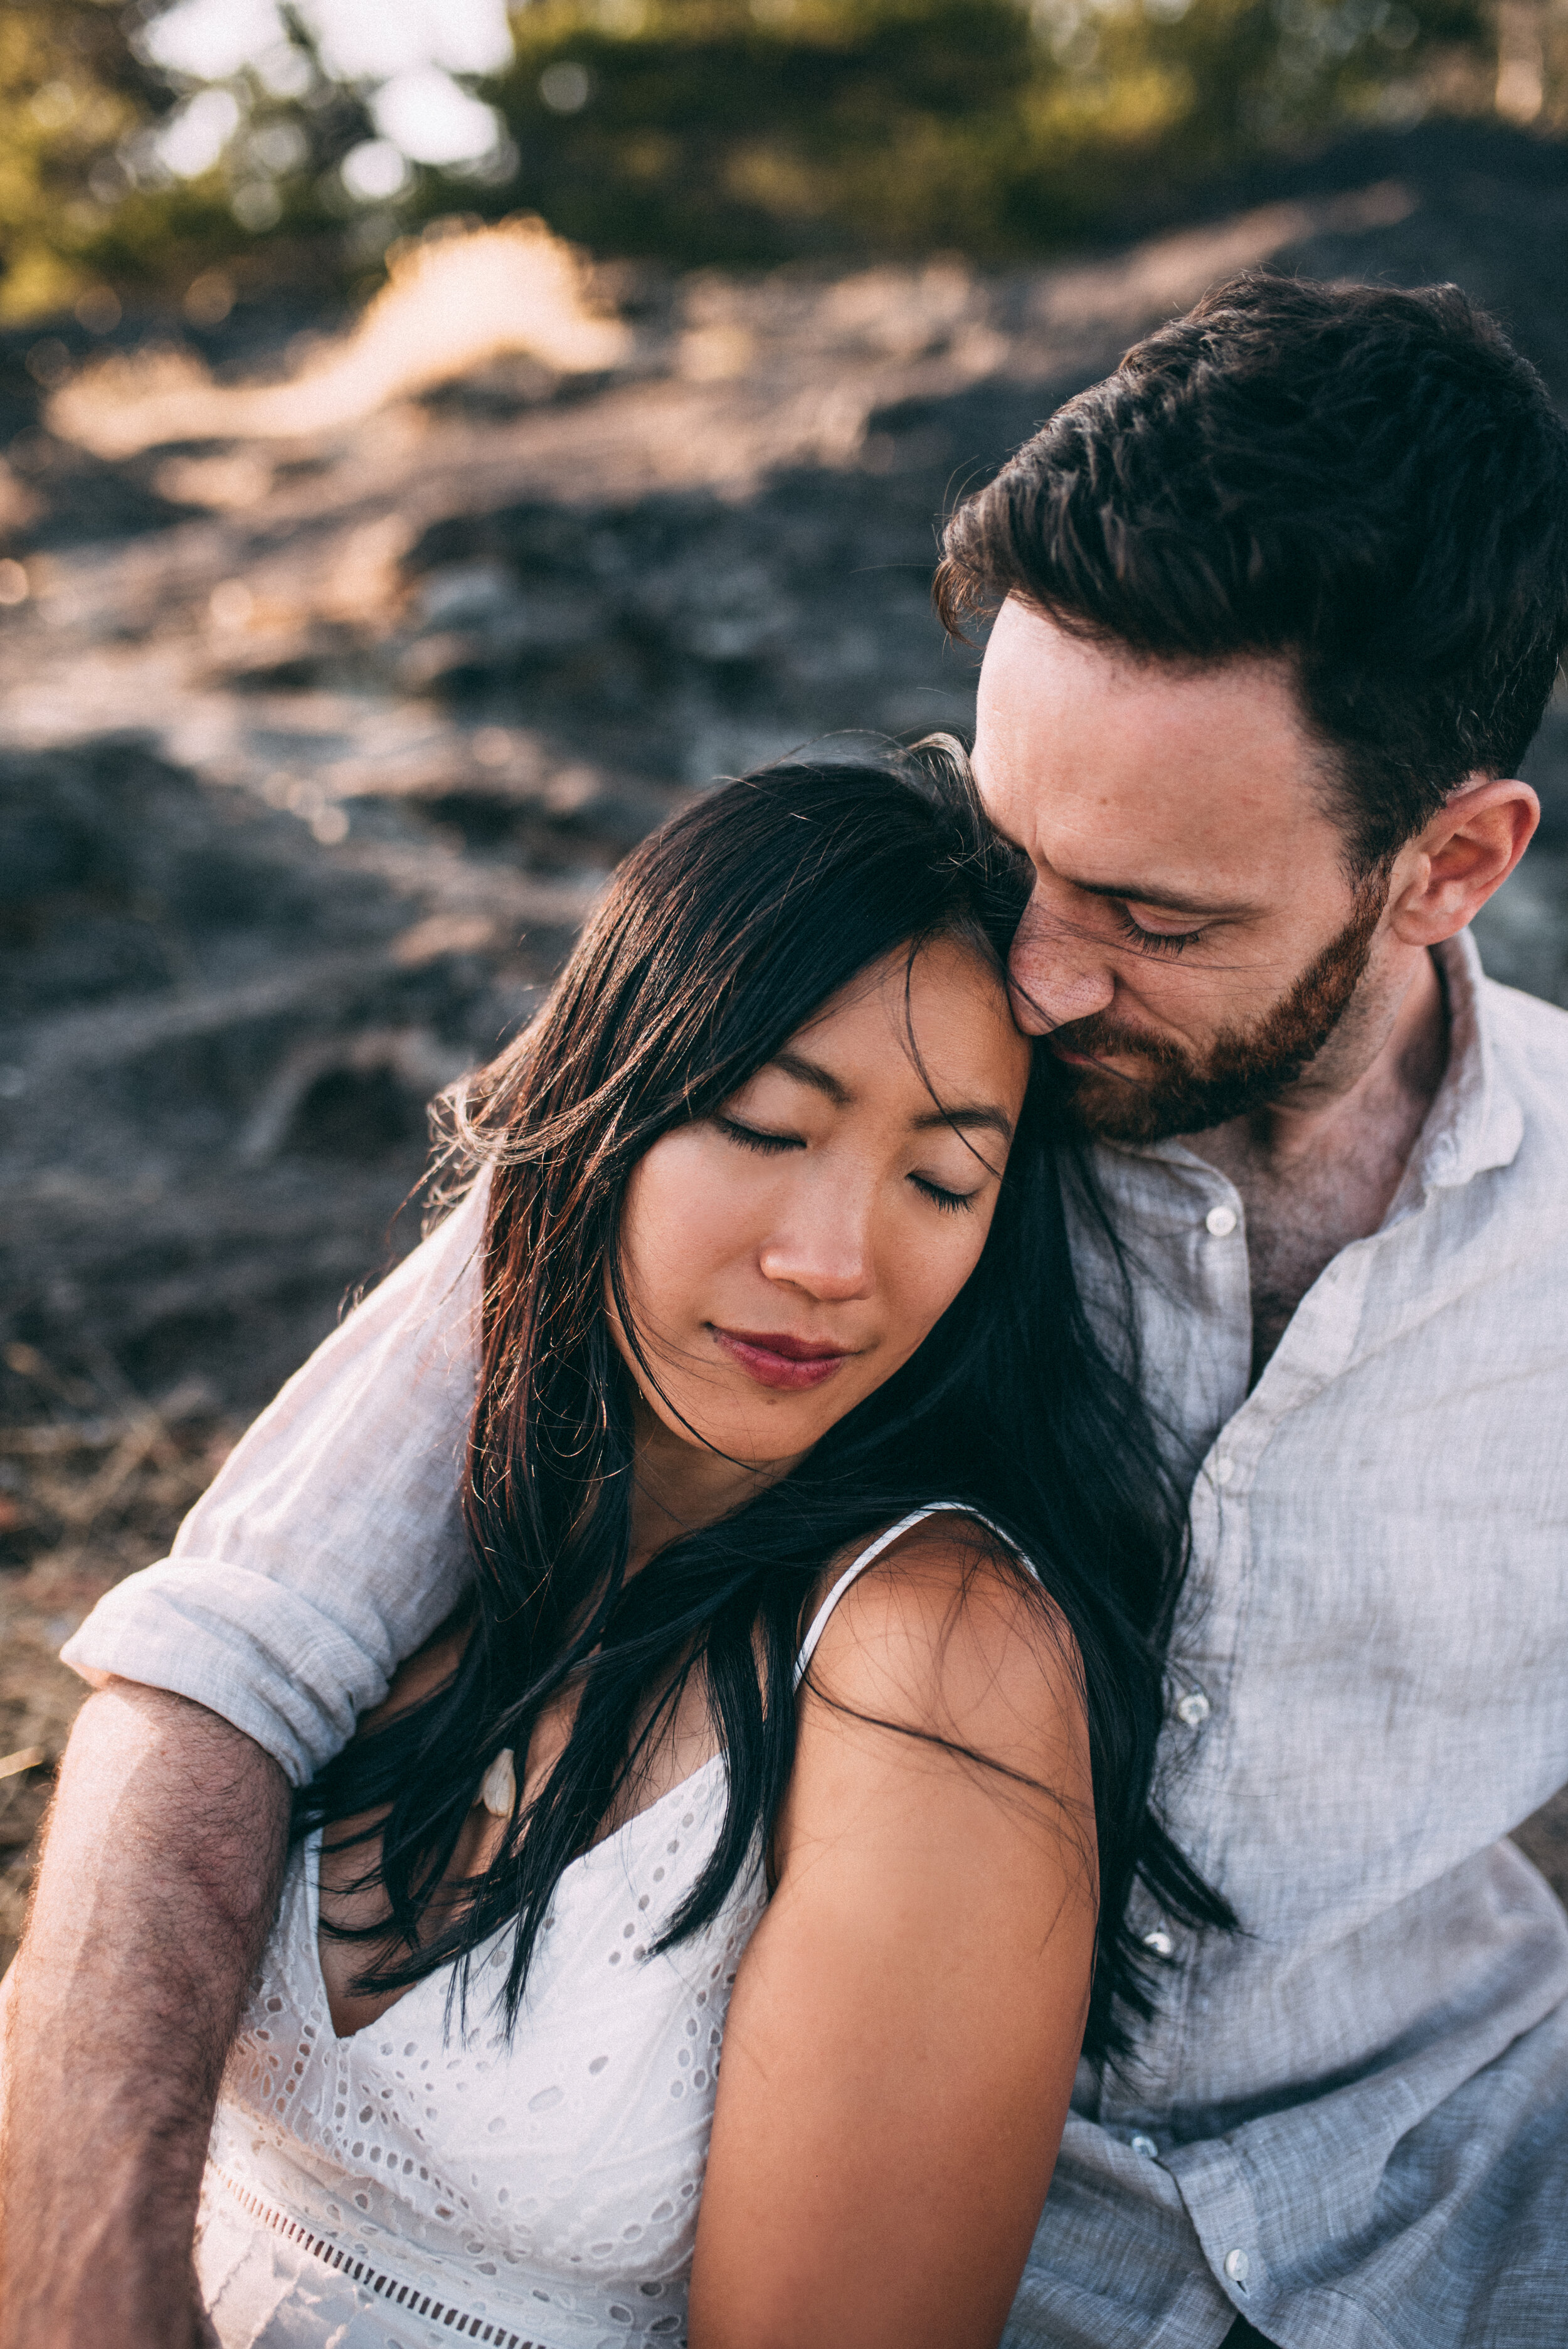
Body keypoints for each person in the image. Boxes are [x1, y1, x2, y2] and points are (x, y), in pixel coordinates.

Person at [4, 269, 1568, 2347]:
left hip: (1479, 2234)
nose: (1038, 979)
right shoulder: (855, 1095)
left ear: (1450, 863)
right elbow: (222, 1664)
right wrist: (93, 2281)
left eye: (1160, 915)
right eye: (1024, 862)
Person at [4, 752, 1221, 2349]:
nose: (829, 1261)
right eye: (763, 1127)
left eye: (942, 1179)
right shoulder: (431, 1538)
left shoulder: (927, 1656)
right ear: (606, 1104)